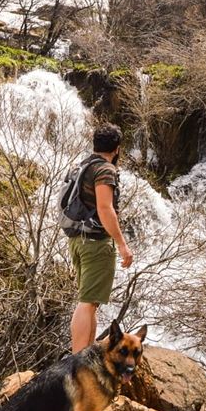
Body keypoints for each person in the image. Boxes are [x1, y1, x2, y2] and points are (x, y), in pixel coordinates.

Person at [68, 123, 133, 353]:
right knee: (87, 303)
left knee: (90, 301)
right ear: (116, 149)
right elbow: (105, 209)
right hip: (95, 243)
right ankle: (77, 361)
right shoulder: (105, 170)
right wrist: (122, 244)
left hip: (77, 240)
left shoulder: (82, 165)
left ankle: (84, 354)